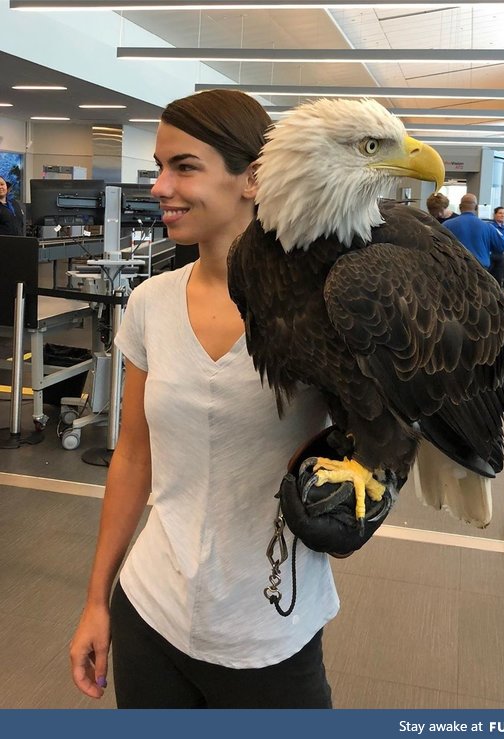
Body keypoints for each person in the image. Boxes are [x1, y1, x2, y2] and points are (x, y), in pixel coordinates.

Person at [68, 89, 344, 709]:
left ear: (252, 178)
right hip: (151, 611)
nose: (160, 187)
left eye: (184, 167)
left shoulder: (321, 308)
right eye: (159, 167)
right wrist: (95, 599)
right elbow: (134, 458)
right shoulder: (150, 304)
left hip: (271, 626)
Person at [443, 194, 504, 277]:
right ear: (476, 208)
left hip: (454, 272)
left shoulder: (446, 225)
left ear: (460, 207)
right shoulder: (487, 227)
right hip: (479, 272)